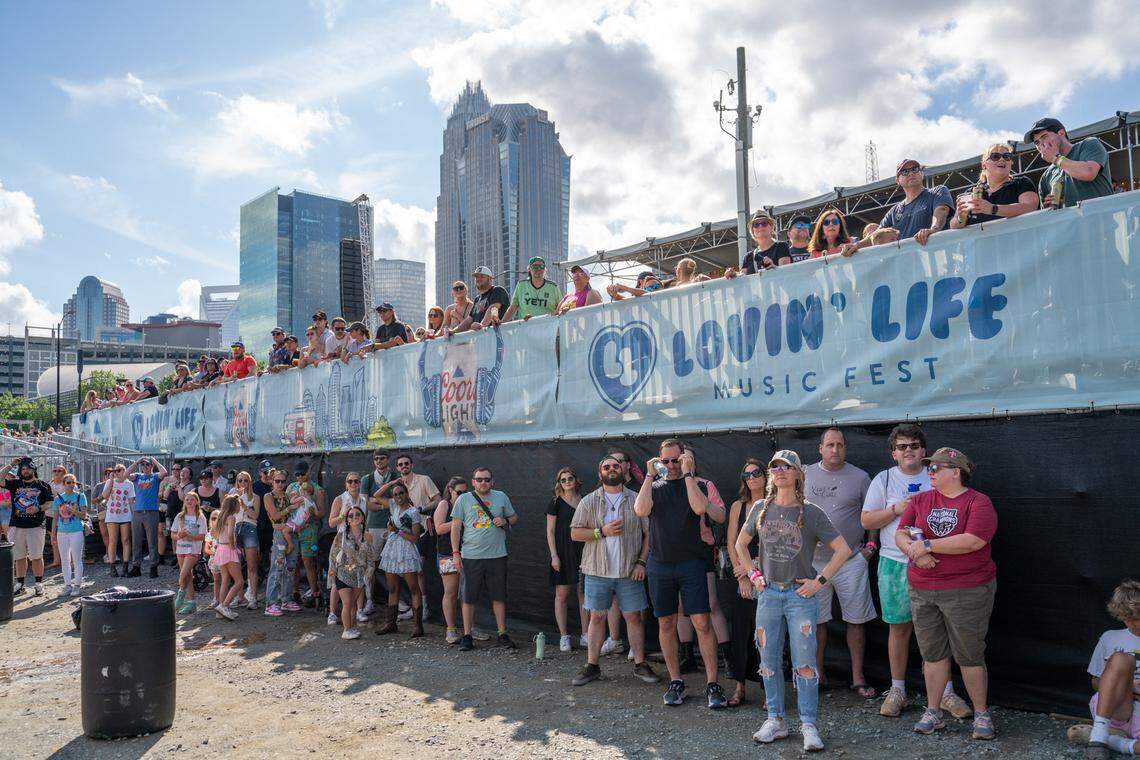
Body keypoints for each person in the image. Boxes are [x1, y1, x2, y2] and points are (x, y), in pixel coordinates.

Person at [733, 449, 851, 752]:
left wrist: (819, 581)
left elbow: (843, 550)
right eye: (775, 466)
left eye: (787, 466)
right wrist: (752, 574)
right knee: (768, 660)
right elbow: (740, 545)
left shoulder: (810, 512)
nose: (780, 470)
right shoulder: (760, 507)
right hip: (769, 594)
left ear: (798, 474)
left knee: (805, 663)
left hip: (800, 597)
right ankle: (776, 719)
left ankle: (808, 724)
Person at [861, 423, 971, 719]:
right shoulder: (883, 480)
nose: (907, 450)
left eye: (913, 445)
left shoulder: (936, 477)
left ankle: (945, 693)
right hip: (894, 562)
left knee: (939, 631)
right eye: (901, 446)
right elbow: (867, 521)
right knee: (899, 628)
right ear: (893, 453)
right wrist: (896, 510)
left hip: (935, 563)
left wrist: (927, 551)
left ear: (923, 451)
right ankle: (897, 690)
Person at [895, 447, 998, 741]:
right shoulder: (921, 499)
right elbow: (902, 533)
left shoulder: (978, 502)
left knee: (969, 655)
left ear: (956, 472)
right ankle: (934, 711)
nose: (931, 472)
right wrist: (916, 551)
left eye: (937, 468)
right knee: (932, 654)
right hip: (923, 588)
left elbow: (973, 541)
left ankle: (981, 713)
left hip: (967, 590)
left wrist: (927, 546)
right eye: (930, 468)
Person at [633, 439, 726, 709]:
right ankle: (676, 681)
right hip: (660, 564)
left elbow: (700, 509)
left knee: (701, 622)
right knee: (665, 623)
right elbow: (640, 510)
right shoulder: (656, 487)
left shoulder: (697, 484)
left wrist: (686, 473)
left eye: (677, 460)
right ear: (660, 461)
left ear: (685, 459)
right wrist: (650, 475)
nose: (671, 465)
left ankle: (712, 683)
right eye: (667, 461)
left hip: (692, 563)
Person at [569, 454, 661, 687]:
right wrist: (601, 532)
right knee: (597, 617)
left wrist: (641, 562)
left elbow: (649, 534)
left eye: (615, 466)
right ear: (600, 473)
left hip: (629, 570)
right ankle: (592, 666)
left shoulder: (635, 499)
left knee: (634, 618)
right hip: (597, 570)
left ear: (623, 470)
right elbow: (575, 533)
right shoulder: (589, 501)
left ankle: (640, 664)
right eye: (606, 466)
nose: (611, 469)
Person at [804, 429, 876, 697]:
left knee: (856, 621)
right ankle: (818, 676)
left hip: (850, 561)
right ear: (820, 447)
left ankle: (858, 678)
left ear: (846, 448)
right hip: (814, 562)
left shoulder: (860, 477)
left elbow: (872, 514)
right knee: (817, 622)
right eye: (830, 445)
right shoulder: (804, 473)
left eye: (840, 445)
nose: (835, 450)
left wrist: (870, 547)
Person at [674, 442, 730, 680]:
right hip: (674, 553)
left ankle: (727, 657)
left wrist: (703, 504)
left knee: (710, 603)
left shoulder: (705, 485)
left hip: (701, 550)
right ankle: (687, 655)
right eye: (678, 459)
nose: (682, 463)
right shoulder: (665, 486)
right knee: (680, 607)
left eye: (687, 458)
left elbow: (721, 515)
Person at [450, 466, 519, 650]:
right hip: (471, 556)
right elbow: (455, 527)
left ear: (492, 481)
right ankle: (467, 635)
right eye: (479, 479)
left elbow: (514, 518)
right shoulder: (464, 499)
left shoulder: (501, 496)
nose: (483, 483)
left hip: (497, 555)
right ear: (473, 482)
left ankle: (502, 634)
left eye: (486, 479)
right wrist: (455, 553)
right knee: (468, 597)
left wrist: (505, 521)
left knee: (499, 596)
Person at [724, 458, 766, 707]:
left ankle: (767, 689)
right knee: (739, 632)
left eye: (756, 473)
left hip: (767, 574)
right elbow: (732, 542)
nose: (751, 478)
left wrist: (755, 569)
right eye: (746, 474)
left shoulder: (773, 504)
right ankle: (739, 686)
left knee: (766, 634)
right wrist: (742, 574)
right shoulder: (738, 507)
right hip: (742, 574)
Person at [841, 160, 952, 255]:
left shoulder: (937, 191)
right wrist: (856, 246)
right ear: (898, 180)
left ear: (922, 174)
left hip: (939, 262)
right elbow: (875, 236)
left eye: (915, 169)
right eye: (905, 171)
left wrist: (933, 229)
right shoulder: (894, 211)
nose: (911, 173)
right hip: (909, 268)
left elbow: (941, 210)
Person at [1083, 579, 1140, 759]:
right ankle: (1099, 737)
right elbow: (1095, 682)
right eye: (1131, 619)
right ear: (1122, 616)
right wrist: (1127, 684)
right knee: (1122, 660)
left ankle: (1117, 743)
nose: (1137, 624)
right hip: (1118, 707)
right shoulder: (1110, 638)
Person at [1026, 117, 1113, 207]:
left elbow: (1088, 172)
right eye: (1037, 142)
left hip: (1102, 219)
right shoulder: (1046, 176)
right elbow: (1048, 216)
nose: (1041, 144)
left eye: (1044, 136)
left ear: (1061, 133)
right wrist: (1050, 207)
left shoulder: (1088, 144)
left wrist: (1056, 158)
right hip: (1071, 221)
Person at [375, 481, 425, 637]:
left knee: (413, 588)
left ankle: (418, 626)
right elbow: (376, 495)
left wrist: (397, 530)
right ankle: (391, 624)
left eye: (401, 493)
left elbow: (415, 538)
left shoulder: (413, 512)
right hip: (392, 550)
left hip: (407, 551)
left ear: (407, 494)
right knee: (392, 588)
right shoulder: (393, 506)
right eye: (395, 494)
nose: (398, 496)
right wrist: (394, 482)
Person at [546, 467, 588, 652]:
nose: (567, 482)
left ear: (576, 480)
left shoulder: (585, 500)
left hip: (584, 552)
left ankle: (586, 635)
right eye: (563, 479)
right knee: (562, 596)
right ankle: (564, 636)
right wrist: (554, 555)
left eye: (570, 478)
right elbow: (550, 531)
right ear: (559, 483)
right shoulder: (555, 502)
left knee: (583, 594)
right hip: (562, 552)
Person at [948, 144, 1039, 228]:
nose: (1002, 159)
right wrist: (961, 218)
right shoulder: (970, 193)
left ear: (1010, 163)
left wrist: (992, 209)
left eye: (1007, 157)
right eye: (995, 156)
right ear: (984, 165)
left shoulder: (1021, 183)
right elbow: (954, 225)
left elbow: (1030, 207)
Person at [327, 472, 369, 627]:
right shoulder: (340, 499)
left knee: (360, 575)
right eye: (350, 481)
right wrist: (343, 515)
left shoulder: (363, 499)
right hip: (342, 543)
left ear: (360, 483)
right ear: (345, 484)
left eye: (356, 481)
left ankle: (359, 610)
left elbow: (365, 521)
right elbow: (331, 522)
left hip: (359, 542)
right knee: (338, 578)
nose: (353, 484)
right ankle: (332, 613)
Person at [330, 505, 375, 640]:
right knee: (347, 603)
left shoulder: (368, 536)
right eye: (351, 515)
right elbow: (333, 555)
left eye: (357, 515)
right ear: (347, 520)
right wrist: (333, 574)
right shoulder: (341, 535)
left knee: (354, 603)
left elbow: (371, 558)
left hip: (359, 575)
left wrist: (368, 575)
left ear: (362, 518)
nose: (354, 517)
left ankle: (352, 628)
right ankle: (346, 630)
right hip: (342, 573)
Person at [433, 476, 468, 644]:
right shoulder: (444, 505)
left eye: (465, 492)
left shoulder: (468, 504)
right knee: (451, 591)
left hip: (468, 552)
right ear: (450, 490)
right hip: (447, 554)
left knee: (468, 593)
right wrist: (457, 522)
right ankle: (451, 629)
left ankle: (470, 628)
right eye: (459, 492)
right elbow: (439, 528)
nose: (462, 495)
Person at [287, 462, 326, 606]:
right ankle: (295, 592)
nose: (299, 477)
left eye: (302, 474)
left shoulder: (318, 490)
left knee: (308, 561)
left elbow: (322, 513)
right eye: (296, 474)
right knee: (294, 562)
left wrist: (312, 510)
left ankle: (314, 593)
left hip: (310, 530)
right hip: (293, 528)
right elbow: (286, 506)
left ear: (308, 472)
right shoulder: (291, 487)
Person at [263, 469, 300, 616]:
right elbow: (275, 515)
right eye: (277, 481)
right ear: (272, 481)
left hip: (291, 532)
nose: (280, 484)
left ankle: (286, 599)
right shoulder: (268, 496)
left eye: (283, 481)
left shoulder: (287, 495)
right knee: (277, 567)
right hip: (279, 534)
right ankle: (271, 603)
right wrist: (290, 508)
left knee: (290, 567)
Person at [127, 456, 167, 578]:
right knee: (136, 541)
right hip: (138, 512)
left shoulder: (155, 477)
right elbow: (126, 474)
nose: (145, 467)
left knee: (152, 541)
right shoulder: (137, 476)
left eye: (147, 465)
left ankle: (153, 567)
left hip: (151, 512)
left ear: (151, 466)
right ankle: (136, 566)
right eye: (143, 465)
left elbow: (164, 472)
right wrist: (137, 461)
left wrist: (154, 461)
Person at [52, 473, 87, 597]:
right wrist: (53, 534)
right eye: (69, 482)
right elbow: (55, 518)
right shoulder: (58, 499)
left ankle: (77, 585)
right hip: (62, 532)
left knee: (76, 560)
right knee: (65, 560)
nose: (72, 485)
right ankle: (67, 585)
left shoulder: (80, 496)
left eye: (73, 482)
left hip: (76, 531)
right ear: (63, 484)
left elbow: (84, 515)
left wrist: (71, 510)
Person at [229, 470, 260, 609]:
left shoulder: (255, 497)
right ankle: (239, 596)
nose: (242, 483)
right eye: (240, 480)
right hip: (235, 528)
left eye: (245, 480)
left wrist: (243, 504)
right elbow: (227, 513)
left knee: (252, 565)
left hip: (249, 528)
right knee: (236, 565)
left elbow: (255, 516)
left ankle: (253, 597)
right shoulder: (231, 494)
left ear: (249, 482)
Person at [172, 491, 207, 614]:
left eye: (192, 499)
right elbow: (173, 534)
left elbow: (203, 536)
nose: (189, 501)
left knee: (183, 574)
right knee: (187, 576)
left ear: (197, 501)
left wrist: (191, 536)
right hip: (181, 548)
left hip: (193, 549)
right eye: (187, 499)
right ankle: (191, 603)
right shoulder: (180, 516)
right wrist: (179, 536)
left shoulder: (200, 517)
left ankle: (180, 596)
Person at [211, 496, 244, 621]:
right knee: (239, 581)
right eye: (238, 504)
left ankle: (221, 609)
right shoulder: (231, 517)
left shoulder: (220, 517)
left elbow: (213, 532)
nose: (239, 507)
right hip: (228, 550)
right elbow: (230, 534)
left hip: (220, 549)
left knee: (225, 580)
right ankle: (224, 606)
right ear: (233, 506)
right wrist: (233, 546)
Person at [101, 463, 135, 578]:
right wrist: (110, 481)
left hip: (125, 515)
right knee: (113, 541)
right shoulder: (109, 482)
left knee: (126, 540)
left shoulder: (129, 484)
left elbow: (131, 501)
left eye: (119, 470)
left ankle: (125, 566)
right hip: (112, 515)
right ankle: (112, 567)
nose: (117, 472)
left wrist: (134, 515)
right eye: (115, 471)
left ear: (124, 471)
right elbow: (104, 496)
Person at [505, 255, 562, 321]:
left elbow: (561, 308)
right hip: (526, 328)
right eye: (535, 266)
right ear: (529, 269)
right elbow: (512, 308)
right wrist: (502, 323)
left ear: (545, 269)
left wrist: (550, 317)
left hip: (548, 328)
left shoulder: (553, 287)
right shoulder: (521, 285)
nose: (538, 269)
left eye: (541, 266)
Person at [462, 266, 510, 331]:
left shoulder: (497, 290)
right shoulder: (477, 299)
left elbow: (492, 309)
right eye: (476, 277)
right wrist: (453, 331)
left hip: (499, 336)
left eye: (482, 276)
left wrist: (482, 326)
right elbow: (469, 320)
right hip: (482, 338)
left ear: (490, 279)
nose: (478, 279)